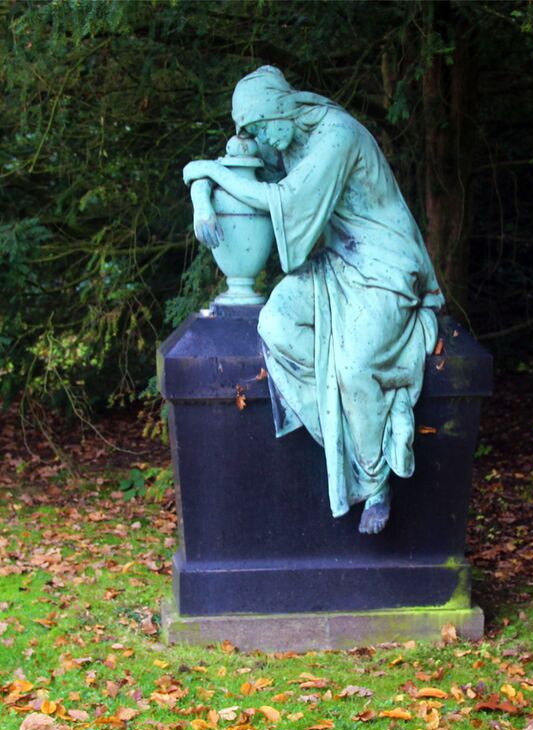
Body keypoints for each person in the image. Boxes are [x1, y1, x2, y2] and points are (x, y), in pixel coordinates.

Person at [183, 66, 444, 534]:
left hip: (387, 269)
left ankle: (375, 479)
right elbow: (223, 170)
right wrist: (202, 192)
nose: (264, 142)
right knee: (276, 323)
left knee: (354, 367)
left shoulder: (336, 135)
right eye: (255, 132)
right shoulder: (285, 134)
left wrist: (207, 172)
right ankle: (365, 428)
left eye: (262, 129)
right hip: (339, 264)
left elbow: (281, 199)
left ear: (280, 108)